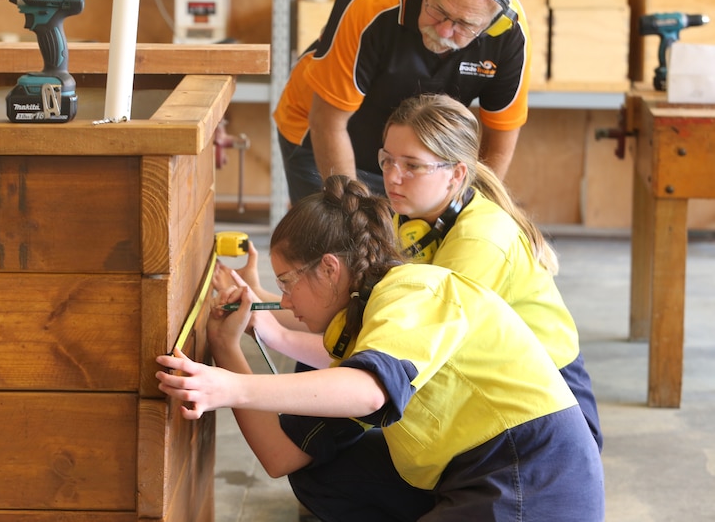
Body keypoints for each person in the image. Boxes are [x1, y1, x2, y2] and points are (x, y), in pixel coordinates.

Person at [157, 175, 605, 522]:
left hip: (531, 473)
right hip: (473, 473)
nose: (285, 302)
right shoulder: (356, 326)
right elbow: (282, 455)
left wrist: (229, 388)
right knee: (324, 471)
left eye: (287, 283)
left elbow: (369, 391)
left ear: (330, 269)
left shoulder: (411, 291)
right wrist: (225, 347)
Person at [215, 92, 603, 451]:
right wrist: (262, 303)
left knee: (336, 420)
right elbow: (350, 313)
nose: (393, 177)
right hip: (488, 395)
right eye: (387, 160)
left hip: (543, 409)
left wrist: (275, 336)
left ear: (456, 174)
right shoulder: (414, 216)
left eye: (413, 165)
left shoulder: (480, 243)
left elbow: (389, 354)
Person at [274, 0, 531, 204]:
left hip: (414, 159)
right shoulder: (369, 3)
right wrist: (351, 217)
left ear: (493, 25)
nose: (443, 31)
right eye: (437, 9)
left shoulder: (511, 36)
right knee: (338, 238)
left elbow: (500, 138)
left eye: (463, 24)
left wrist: (474, 210)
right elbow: (327, 123)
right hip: (321, 133)